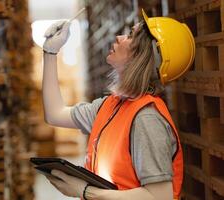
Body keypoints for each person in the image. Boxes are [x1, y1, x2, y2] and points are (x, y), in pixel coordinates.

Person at [41, 9, 195, 200]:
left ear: (144, 56)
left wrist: (86, 191)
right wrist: (50, 52)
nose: (119, 37)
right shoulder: (111, 106)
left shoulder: (146, 119)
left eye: (130, 36)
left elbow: (160, 196)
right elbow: (55, 114)